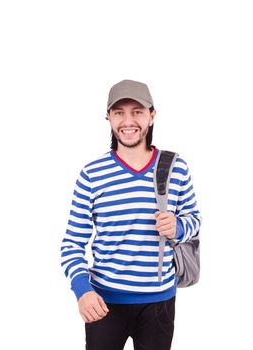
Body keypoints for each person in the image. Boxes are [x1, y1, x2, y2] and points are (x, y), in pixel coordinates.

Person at [60, 79, 202, 350]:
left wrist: (178, 226)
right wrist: (83, 290)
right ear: (108, 118)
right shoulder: (92, 174)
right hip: (103, 303)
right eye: (119, 112)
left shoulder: (176, 167)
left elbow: (194, 219)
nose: (128, 121)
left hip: (159, 303)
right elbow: (72, 244)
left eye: (137, 112)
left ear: (152, 116)